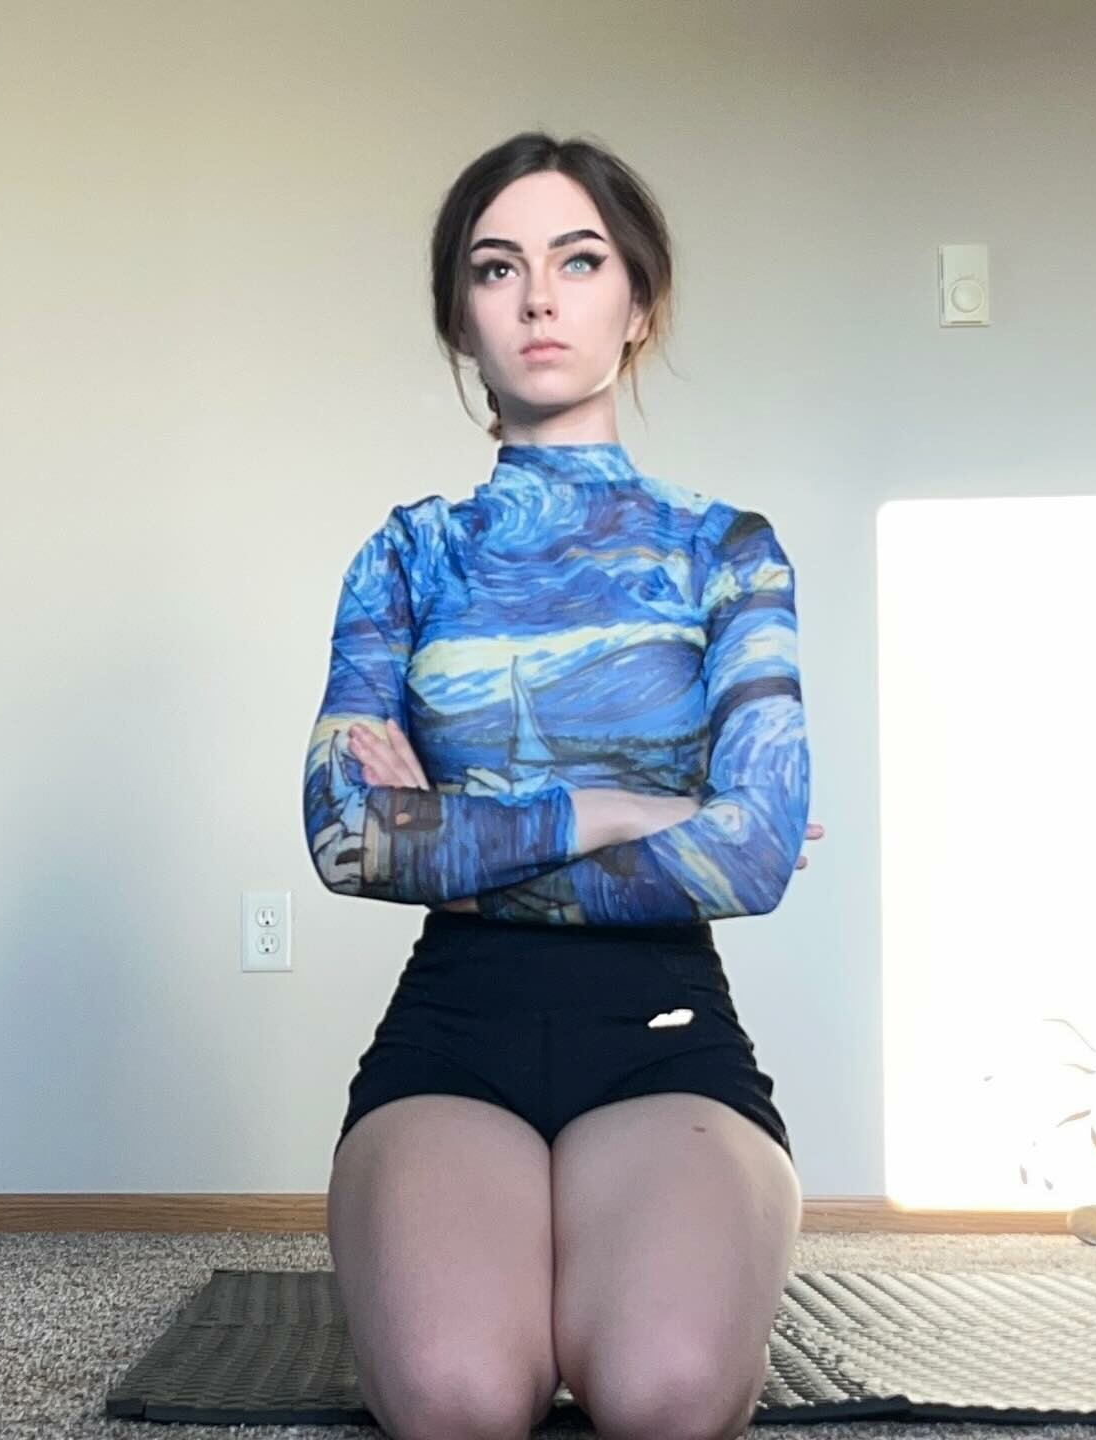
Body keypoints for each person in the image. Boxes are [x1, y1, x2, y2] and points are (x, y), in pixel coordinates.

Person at [303, 131, 824, 1440]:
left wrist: (456, 841)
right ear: (461, 321)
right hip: (450, 1036)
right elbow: (348, 838)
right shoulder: (408, 557)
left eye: (578, 261)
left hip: (667, 1037)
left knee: (664, 1392)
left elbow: (756, 855)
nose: (538, 297)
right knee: (458, 1396)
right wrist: (620, 810)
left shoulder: (727, 553)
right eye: (498, 268)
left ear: (637, 303)